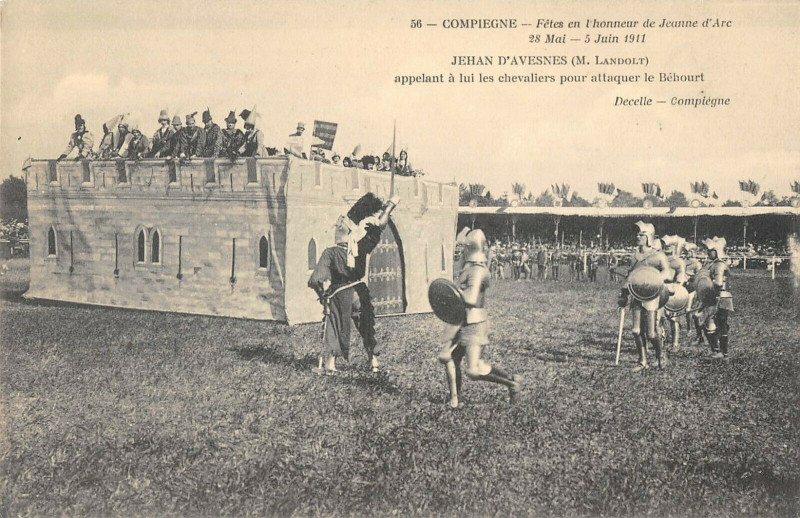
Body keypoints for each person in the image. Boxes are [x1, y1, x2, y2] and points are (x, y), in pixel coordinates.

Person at [308, 193, 401, 373]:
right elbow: (379, 228)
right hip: (359, 292)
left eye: (340, 223)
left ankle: (331, 365)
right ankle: (373, 362)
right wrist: (389, 207)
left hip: (339, 294)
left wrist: (323, 295)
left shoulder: (331, 252)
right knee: (366, 325)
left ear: (341, 230)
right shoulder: (361, 247)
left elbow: (315, 280)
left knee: (334, 325)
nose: (338, 222)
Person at [437, 229, 521, 408]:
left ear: (470, 248)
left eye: (464, 247)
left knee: (473, 370)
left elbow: (471, 299)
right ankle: (454, 399)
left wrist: (451, 294)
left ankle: (511, 383)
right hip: (461, 320)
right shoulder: (469, 269)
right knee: (449, 357)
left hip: (474, 324)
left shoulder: (477, 271)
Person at [618, 221, 673, 370]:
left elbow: (667, 272)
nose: (638, 236)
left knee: (651, 333)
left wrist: (654, 279)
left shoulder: (658, 255)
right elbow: (630, 276)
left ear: (649, 237)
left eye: (642, 234)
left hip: (652, 295)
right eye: (637, 234)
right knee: (636, 330)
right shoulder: (635, 255)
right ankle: (643, 361)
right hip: (637, 295)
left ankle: (660, 355)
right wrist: (623, 293)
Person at [699, 237, 733, 359]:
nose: (708, 252)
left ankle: (718, 351)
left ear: (718, 251)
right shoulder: (712, 264)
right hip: (721, 297)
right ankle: (722, 352)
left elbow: (718, 283)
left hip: (719, 297)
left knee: (711, 324)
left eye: (711, 250)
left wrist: (707, 285)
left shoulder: (718, 265)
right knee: (720, 325)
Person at [661, 235, 689, 351]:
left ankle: (675, 343)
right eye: (665, 246)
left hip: (673, 291)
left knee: (673, 318)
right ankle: (661, 340)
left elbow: (681, 277)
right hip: (660, 290)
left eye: (668, 247)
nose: (666, 249)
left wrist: (676, 287)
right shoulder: (660, 259)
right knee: (659, 318)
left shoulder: (678, 262)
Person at [683, 243, 706, 344]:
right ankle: (689, 328)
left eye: (691, 251)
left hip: (692, 289)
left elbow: (699, 278)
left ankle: (692, 330)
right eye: (687, 251)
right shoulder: (683, 262)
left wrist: (689, 279)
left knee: (689, 310)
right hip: (682, 288)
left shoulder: (697, 264)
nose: (689, 253)